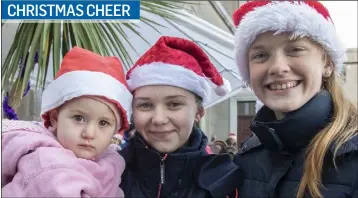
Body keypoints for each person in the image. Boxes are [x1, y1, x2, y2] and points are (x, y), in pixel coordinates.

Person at [232, 1, 358, 198]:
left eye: (295, 49)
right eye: (261, 55)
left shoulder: (352, 155)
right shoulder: (247, 155)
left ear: (327, 63)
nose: (278, 67)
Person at [1, 47, 132, 197]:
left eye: (103, 123)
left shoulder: (111, 163)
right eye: (78, 118)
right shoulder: (49, 167)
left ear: (116, 129)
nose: (89, 133)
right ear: (55, 118)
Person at [120, 36, 241, 198]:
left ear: (198, 113)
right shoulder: (108, 172)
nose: (159, 119)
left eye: (174, 104)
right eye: (145, 105)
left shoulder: (226, 181)